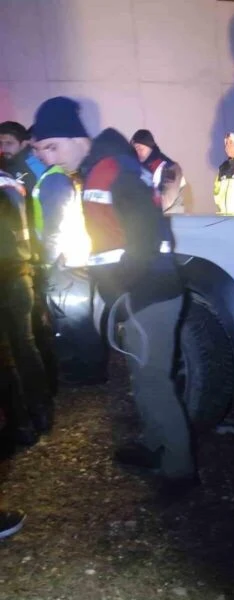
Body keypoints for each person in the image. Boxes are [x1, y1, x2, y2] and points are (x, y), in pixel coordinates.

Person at [32, 96, 197, 483]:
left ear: (77, 138)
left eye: (53, 146)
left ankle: (179, 467)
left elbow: (143, 237)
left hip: (149, 293)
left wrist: (123, 287)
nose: (51, 158)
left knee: (154, 379)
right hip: (143, 291)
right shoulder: (108, 167)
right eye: (42, 151)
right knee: (143, 375)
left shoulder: (111, 169)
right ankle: (153, 442)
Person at [0, 169, 52, 444]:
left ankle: (20, 425)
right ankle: (41, 412)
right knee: (25, 345)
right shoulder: (11, 182)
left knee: (5, 355)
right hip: (20, 272)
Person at [130, 129, 186, 215]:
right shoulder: (136, 168)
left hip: (169, 220)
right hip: (148, 219)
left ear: (150, 147)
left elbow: (167, 199)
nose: (138, 152)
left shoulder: (170, 167)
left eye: (141, 148)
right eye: (136, 149)